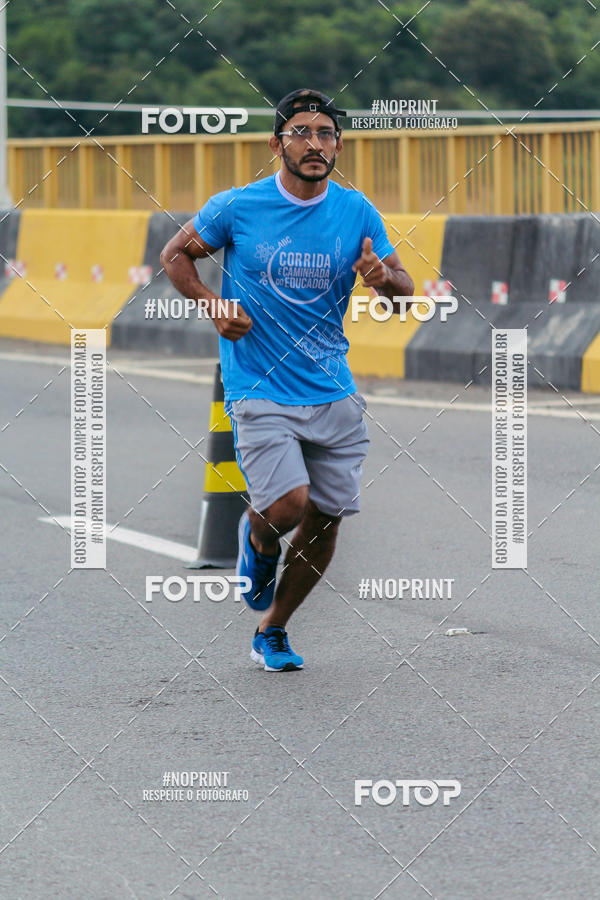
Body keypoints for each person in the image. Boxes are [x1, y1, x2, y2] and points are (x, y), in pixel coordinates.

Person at [161, 88, 414, 672]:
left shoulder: (356, 212)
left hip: (332, 389)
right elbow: (176, 255)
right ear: (277, 145)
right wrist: (210, 303)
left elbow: (404, 293)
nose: (315, 143)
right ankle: (258, 537)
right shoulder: (238, 207)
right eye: (301, 132)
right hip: (259, 384)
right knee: (289, 504)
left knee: (325, 522)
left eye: (325, 134)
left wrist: (383, 280)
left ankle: (271, 632)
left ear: (338, 145)